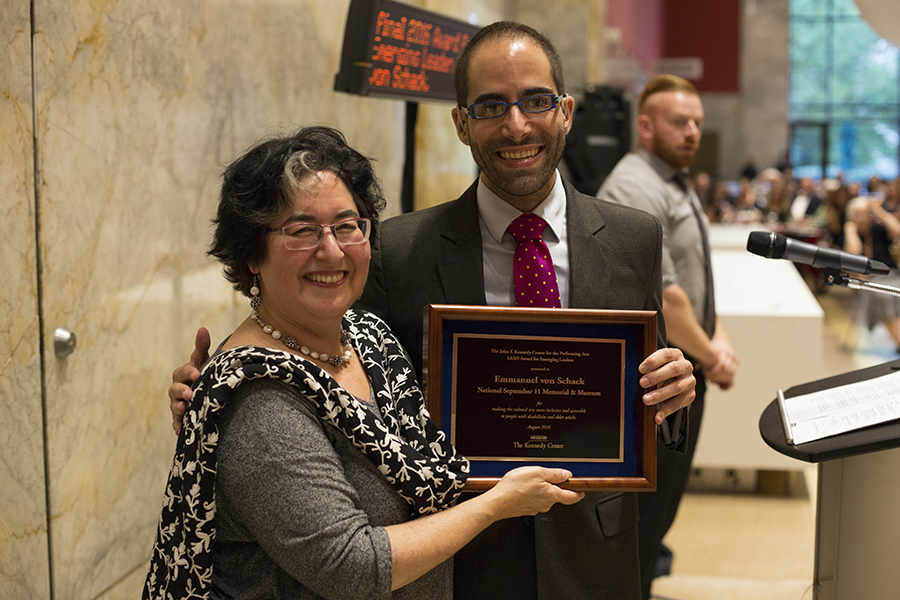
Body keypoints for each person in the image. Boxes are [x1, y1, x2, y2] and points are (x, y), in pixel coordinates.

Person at [169, 22, 696, 600]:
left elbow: (650, 385)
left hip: (593, 551)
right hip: (457, 563)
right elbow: (305, 339)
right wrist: (213, 396)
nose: (517, 124)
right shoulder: (396, 251)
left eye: (536, 101)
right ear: (462, 124)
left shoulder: (632, 238)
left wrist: (671, 395)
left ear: (565, 111)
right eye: (492, 105)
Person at [145, 126, 583, 600]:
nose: (331, 250)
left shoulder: (367, 337)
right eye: (301, 230)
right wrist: (497, 504)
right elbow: (350, 566)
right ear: (252, 253)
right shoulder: (259, 401)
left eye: (347, 225)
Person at [596, 74, 739, 600]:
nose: (692, 132)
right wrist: (711, 354)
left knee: (662, 512)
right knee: (644, 519)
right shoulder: (634, 186)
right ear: (646, 125)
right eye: (680, 122)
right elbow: (669, 296)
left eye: (698, 122)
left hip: (686, 368)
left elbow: (697, 278)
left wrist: (715, 341)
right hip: (657, 380)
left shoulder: (673, 181)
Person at [844, 195, 900, 351]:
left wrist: (878, 211)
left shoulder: (877, 230)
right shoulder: (851, 233)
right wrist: (850, 228)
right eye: (858, 214)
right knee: (885, 296)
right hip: (869, 279)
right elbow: (853, 254)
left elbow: (897, 230)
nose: (862, 217)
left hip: (892, 273)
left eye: (865, 213)